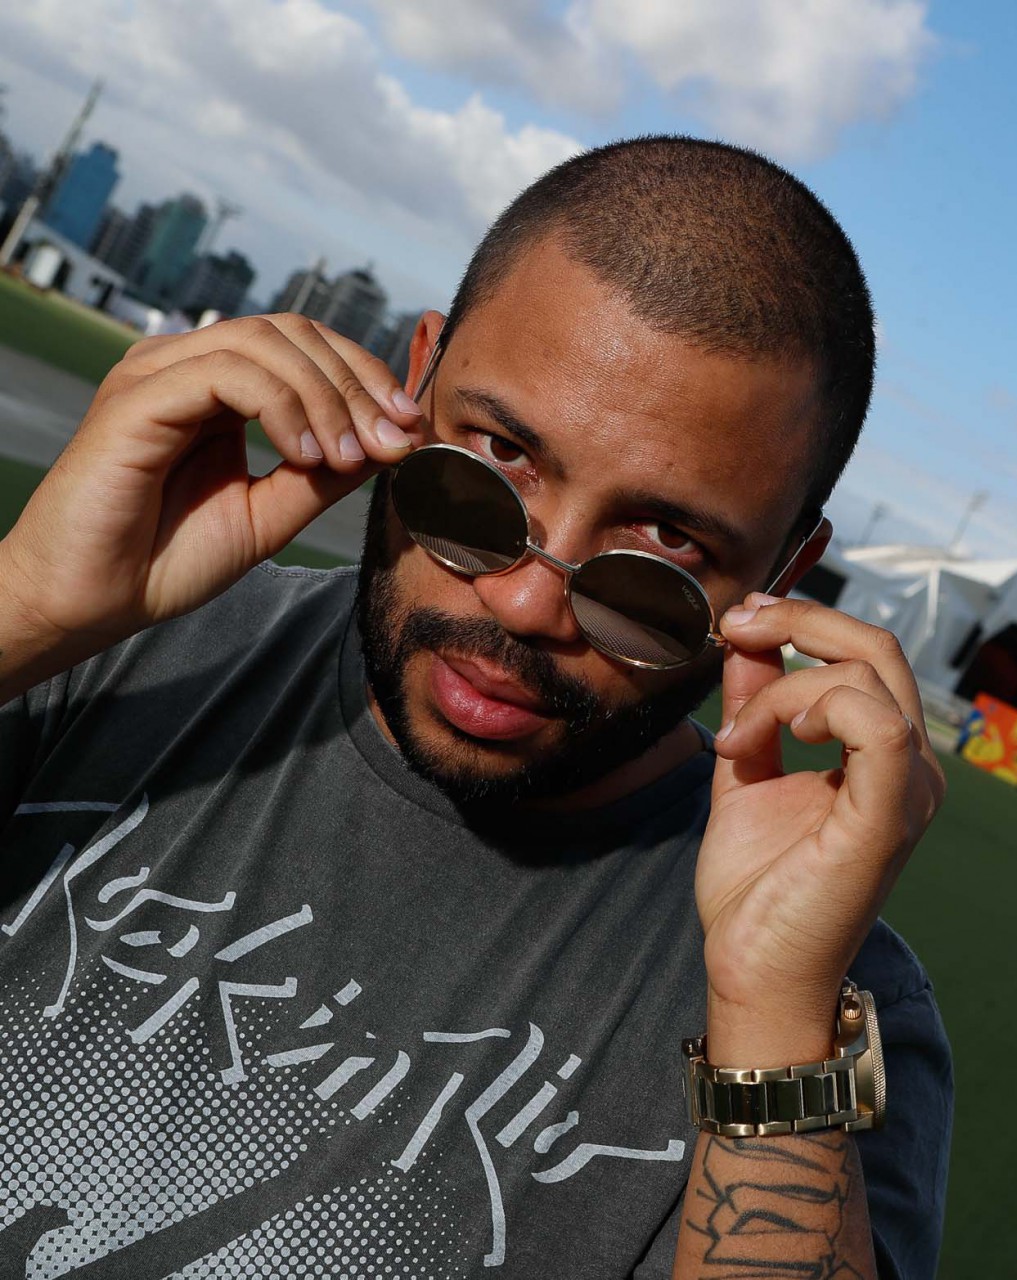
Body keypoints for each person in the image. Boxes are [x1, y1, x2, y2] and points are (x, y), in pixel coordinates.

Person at [0, 139, 952, 1278]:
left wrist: (773, 1006)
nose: (524, 599)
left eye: (665, 550)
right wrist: (25, 610)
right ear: (419, 372)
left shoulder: (825, 1000)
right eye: (494, 463)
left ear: (782, 576)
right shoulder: (106, 650)